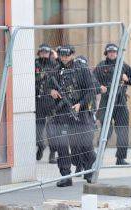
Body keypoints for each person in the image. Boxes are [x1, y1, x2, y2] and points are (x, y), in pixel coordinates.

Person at [48, 45, 96, 187]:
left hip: (79, 112)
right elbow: (46, 86)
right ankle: (66, 176)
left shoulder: (81, 69)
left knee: (84, 144)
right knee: (62, 145)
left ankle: (89, 172)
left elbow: (91, 90)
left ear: (73, 54)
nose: (64, 58)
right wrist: (51, 91)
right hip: (62, 113)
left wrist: (80, 104)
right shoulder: (56, 70)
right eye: (62, 55)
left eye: (67, 55)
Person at [94, 43, 131, 165]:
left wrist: (127, 79)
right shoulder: (101, 66)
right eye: (110, 52)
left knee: (122, 129)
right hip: (106, 100)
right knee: (106, 129)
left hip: (120, 100)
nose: (112, 54)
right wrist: (99, 87)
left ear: (117, 53)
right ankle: (99, 157)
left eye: (114, 52)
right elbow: (92, 80)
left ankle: (120, 158)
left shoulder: (123, 65)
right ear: (106, 53)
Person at [35, 43, 58, 163]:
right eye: (42, 52)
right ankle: (40, 146)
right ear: (39, 53)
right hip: (38, 100)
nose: (44, 54)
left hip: (51, 101)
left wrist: (57, 56)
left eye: (47, 52)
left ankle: (53, 154)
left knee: (52, 128)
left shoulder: (55, 65)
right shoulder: (34, 64)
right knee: (38, 126)